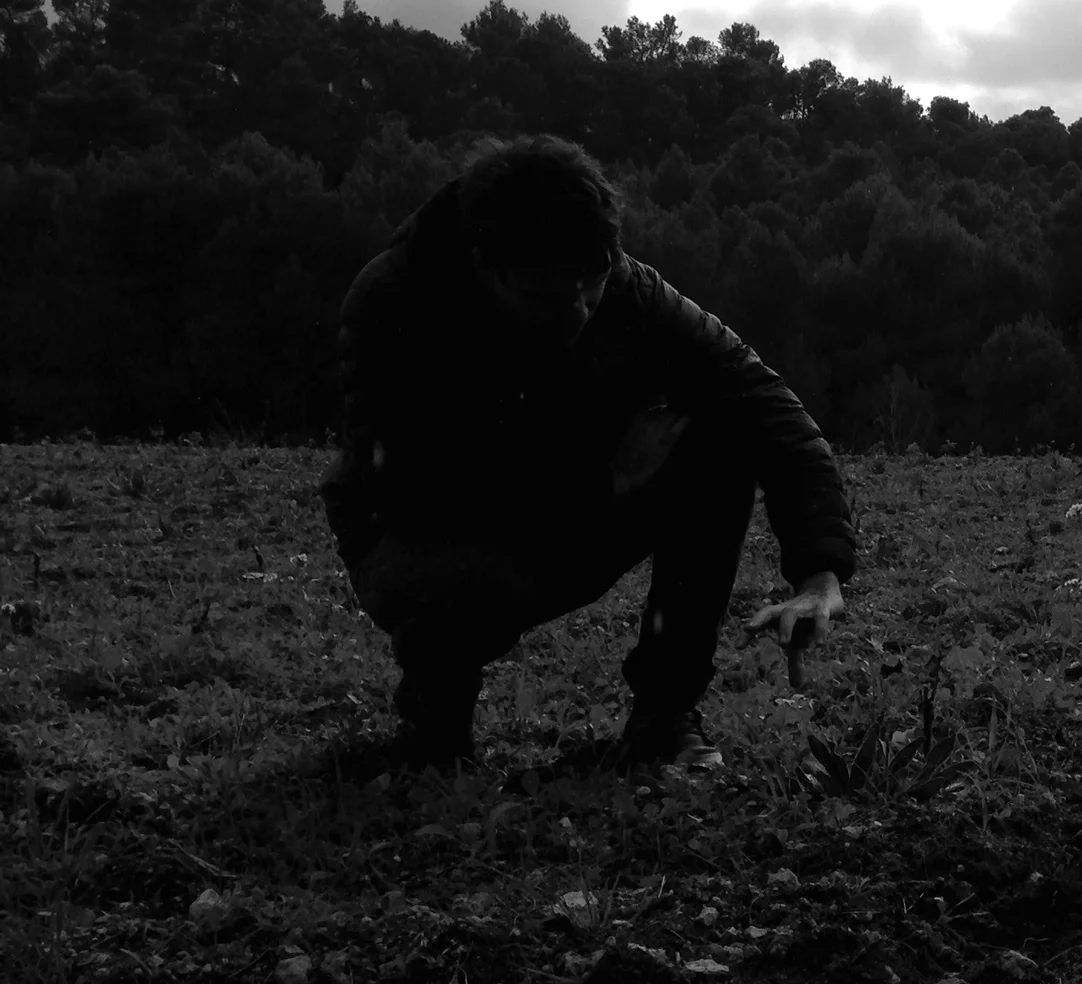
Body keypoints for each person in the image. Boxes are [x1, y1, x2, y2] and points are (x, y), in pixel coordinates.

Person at [320, 135, 854, 773]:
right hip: (413, 538)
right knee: (463, 583)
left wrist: (820, 574)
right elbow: (418, 487)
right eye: (550, 295)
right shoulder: (392, 304)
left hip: (571, 509)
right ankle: (435, 727)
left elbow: (763, 402)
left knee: (717, 442)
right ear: (486, 263)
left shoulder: (627, 286)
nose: (578, 313)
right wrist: (604, 482)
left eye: (592, 284)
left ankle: (663, 717)